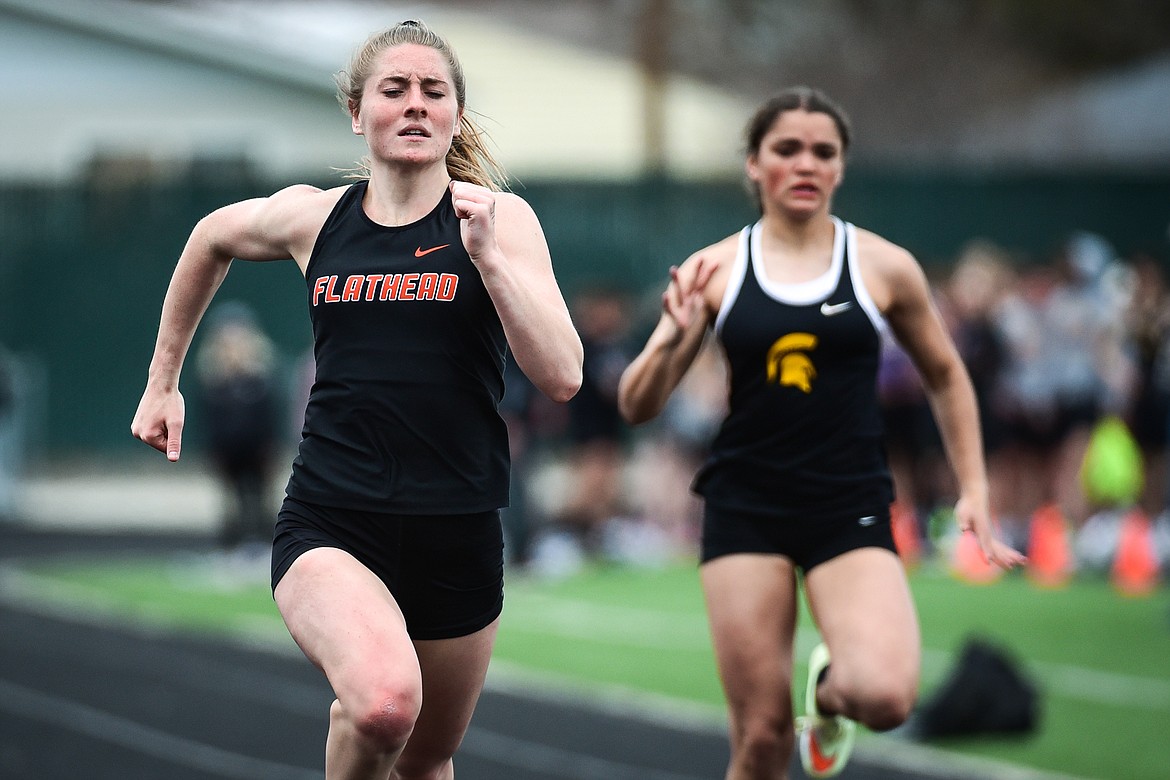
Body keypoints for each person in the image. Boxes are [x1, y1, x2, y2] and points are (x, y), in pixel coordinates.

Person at [131, 20, 582, 780]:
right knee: (382, 705)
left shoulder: (500, 221)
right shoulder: (317, 218)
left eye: (433, 92)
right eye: (394, 89)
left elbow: (563, 373)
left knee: (425, 760)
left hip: (460, 522)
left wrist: (491, 266)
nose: (415, 105)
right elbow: (210, 236)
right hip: (334, 516)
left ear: (456, 115)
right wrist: (162, 380)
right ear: (355, 110)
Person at [617, 86, 1024, 779]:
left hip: (847, 503)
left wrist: (976, 489)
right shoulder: (713, 270)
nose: (805, 163)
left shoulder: (882, 267)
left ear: (840, 168)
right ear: (754, 164)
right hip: (746, 506)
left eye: (823, 152)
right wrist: (670, 342)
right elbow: (636, 403)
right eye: (787, 149)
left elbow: (948, 375)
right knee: (763, 737)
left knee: (887, 696)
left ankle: (829, 694)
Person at [194, 301, 281, 557]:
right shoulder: (212, 379)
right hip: (227, 452)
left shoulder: (262, 378)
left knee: (262, 499)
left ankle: (268, 549)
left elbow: (271, 417)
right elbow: (207, 419)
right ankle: (230, 550)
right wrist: (212, 451)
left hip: (257, 451)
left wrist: (271, 449)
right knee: (231, 502)